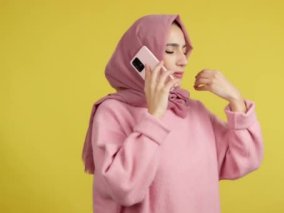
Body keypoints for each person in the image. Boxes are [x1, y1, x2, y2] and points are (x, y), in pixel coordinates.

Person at [82, 14, 264, 213]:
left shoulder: (192, 110)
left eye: (185, 51)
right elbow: (124, 189)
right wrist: (154, 115)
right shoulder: (113, 112)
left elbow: (245, 160)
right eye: (169, 50)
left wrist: (235, 100)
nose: (183, 61)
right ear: (141, 56)